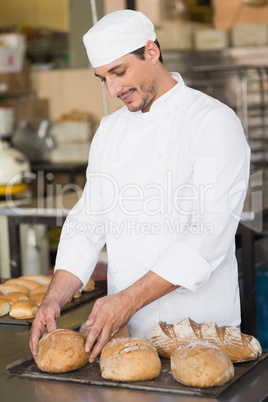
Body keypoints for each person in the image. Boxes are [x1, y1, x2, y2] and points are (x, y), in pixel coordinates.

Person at [29, 10, 250, 363]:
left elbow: (207, 237)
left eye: (119, 72)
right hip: (129, 338)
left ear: (151, 51)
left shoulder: (212, 122)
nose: (113, 89)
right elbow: (88, 222)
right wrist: (54, 298)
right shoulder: (111, 130)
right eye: (102, 78)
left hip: (202, 334)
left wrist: (127, 300)